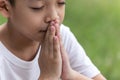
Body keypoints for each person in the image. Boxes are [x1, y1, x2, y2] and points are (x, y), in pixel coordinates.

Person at [0, 0, 106, 80]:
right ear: (5, 7)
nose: (54, 16)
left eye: (60, 3)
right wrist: (48, 76)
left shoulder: (61, 37)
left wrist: (70, 75)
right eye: (38, 7)